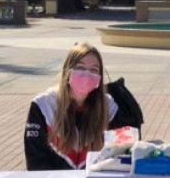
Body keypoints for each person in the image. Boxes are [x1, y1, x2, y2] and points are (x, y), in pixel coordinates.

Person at [24, 42, 120, 170]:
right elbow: (36, 161)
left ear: (99, 78)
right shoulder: (43, 105)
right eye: (80, 68)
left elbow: (118, 157)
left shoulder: (110, 107)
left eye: (94, 70)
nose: (86, 75)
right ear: (67, 71)